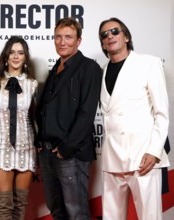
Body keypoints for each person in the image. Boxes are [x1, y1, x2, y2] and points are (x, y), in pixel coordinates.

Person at [98, 17, 170, 220]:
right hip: (112, 159)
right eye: (104, 35)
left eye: (114, 31)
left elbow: (162, 114)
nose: (109, 36)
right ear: (103, 43)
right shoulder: (101, 72)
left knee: (149, 217)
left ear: (126, 36)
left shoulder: (149, 63)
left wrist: (154, 152)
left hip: (143, 158)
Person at [35, 17, 102, 219]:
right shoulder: (55, 69)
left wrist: (66, 148)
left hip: (70, 154)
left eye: (68, 37)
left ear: (78, 41)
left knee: (76, 212)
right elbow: (46, 109)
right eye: (58, 37)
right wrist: (39, 141)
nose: (62, 42)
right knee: (57, 211)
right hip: (47, 153)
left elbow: (86, 112)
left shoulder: (89, 68)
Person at [0, 36, 38, 220]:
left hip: (26, 147)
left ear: (25, 57)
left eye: (20, 53)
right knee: (4, 207)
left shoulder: (33, 85)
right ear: (6, 56)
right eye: (12, 52)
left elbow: (36, 118)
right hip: (0, 146)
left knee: (20, 207)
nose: (16, 56)